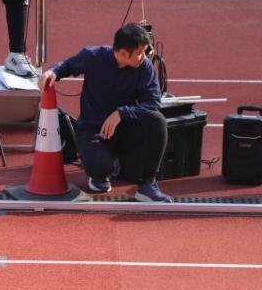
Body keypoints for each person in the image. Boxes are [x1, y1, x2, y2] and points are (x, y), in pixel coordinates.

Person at [38, 23, 172, 202]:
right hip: (94, 131)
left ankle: (148, 184)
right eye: (140, 53)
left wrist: (121, 113)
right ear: (123, 53)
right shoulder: (93, 56)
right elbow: (68, 65)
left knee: (157, 121)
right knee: (99, 166)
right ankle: (103, 169)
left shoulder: (144, 67)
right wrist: (52, 72)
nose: (144, 57)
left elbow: (153, 102)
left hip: (125, 128)